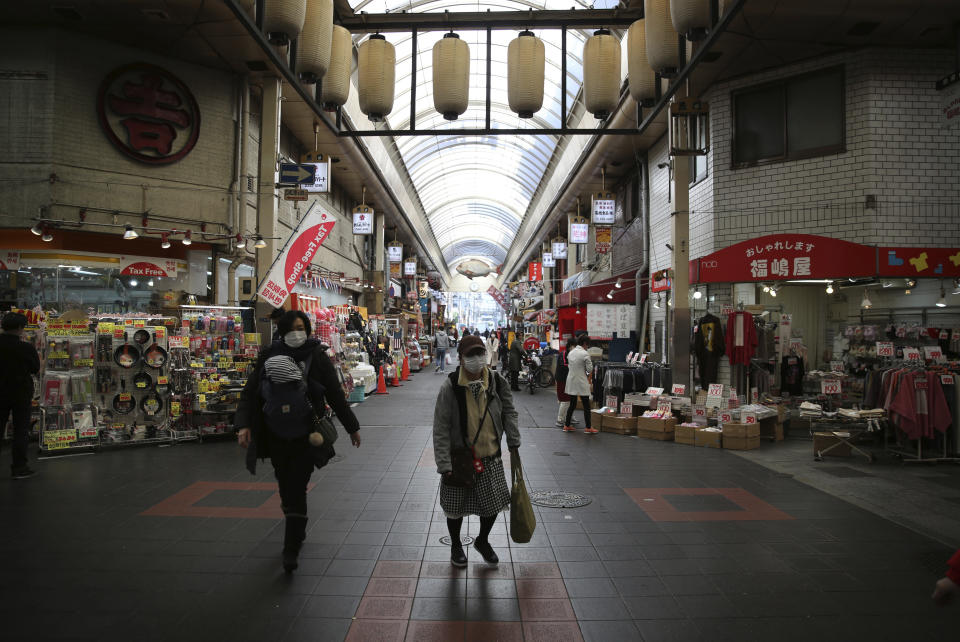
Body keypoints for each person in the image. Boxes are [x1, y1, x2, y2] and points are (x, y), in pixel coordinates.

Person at [236, 310, 362, 573]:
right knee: (285, 485)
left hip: (307, 434)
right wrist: (244, 424)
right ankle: (295, 520)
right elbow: (251, 392)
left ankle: (290, 548)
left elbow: (335, 394)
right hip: (275, 433)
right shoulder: (269, 355)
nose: (298, 333)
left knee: (297, 486)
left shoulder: (317, 356)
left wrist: (352, 427)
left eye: (302, 327)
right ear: (282, 330)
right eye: (292, 328)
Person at [433, 335, 520, 567]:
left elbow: (510, 411)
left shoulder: (497, 381)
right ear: (461, 358)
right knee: (455, 508)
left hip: (490, 455)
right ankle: (455, 545)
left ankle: (482, 540)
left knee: (493, 505)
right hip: (460, 459)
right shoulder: (450, 386)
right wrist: (444, 464)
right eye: (470, 355)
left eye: (480, 354)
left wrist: (513, 440)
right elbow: (440, 427)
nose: (476, 359)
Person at [0, 312, 40, 479]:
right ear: (19, 328)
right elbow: (35, 368)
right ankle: (19, 467)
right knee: (21, 430)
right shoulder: (26, 348)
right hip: (20, 392)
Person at [564, 335, 596, 434]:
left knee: (572, 404)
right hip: (581, 381)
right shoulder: (585, 354)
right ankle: (588, 427)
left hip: (570, 380)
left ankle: (567, 425)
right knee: (586, 405)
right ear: (585, 343)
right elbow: (589, 369)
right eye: (588, 345)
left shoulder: (571, 352)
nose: (588, 347)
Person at [555, 338, 577, 427]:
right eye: (575, 346)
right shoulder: (564, 354)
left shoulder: (571, 354)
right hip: (562, 379)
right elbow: (564, 365)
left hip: (569, 379)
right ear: (571, 346)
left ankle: (569, 416)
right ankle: (560, 419)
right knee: (565, 400)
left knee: (570, 400)